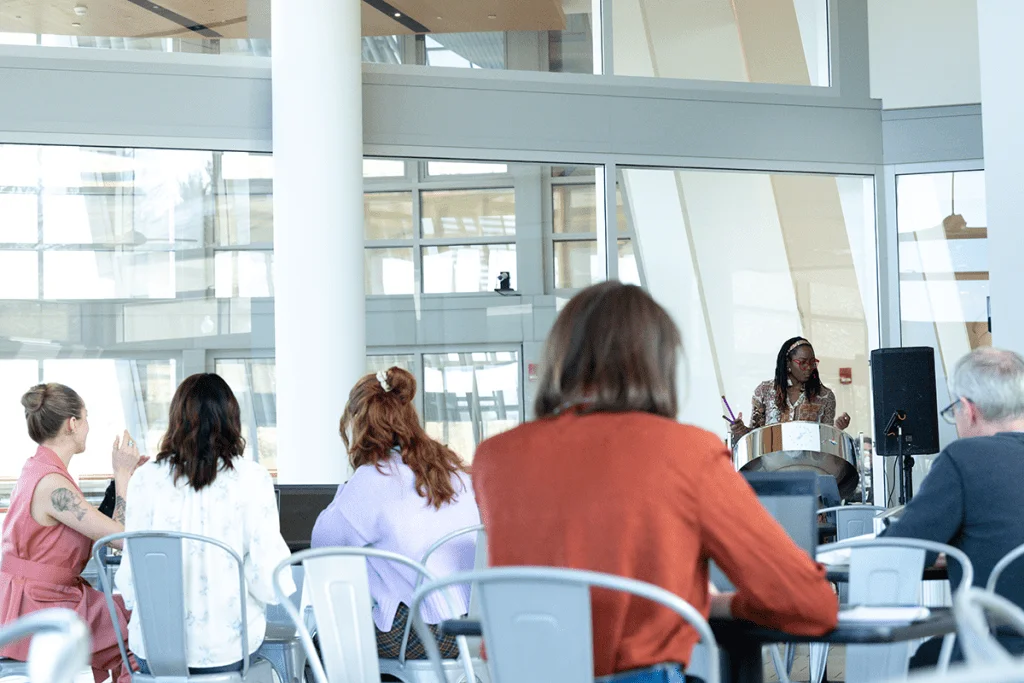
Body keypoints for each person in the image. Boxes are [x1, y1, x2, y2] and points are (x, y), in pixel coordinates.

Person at [472, 282, 838, 680]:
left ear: (560, 356)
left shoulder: (495, 459)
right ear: (657, 362)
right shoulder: (686, 452)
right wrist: (702, 602)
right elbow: (807, 602)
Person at [115, 373, 295, 673]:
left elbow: (131, 581)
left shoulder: (145, 478)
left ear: (176, 419)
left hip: (153, 651)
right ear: (231, 420)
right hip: (226, 649)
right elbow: (269, 580)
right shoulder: (251, 478)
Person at [311, 367, 480, 660]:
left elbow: (323, 543)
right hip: (474, 626)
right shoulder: (454, 471)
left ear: (358, 424)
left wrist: (346, 490)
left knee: (322, 642)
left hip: (423, 633)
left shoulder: (373, 478)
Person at [882, 347, 1024, 667]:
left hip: (995, 654)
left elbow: (901, 553)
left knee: (918, 663)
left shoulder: (963, 459)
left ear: (967, 409)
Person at [0, 383, 144, 683]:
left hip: (33, 598)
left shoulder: (37, 470)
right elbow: (119, 537)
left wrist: (123, 479)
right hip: (43, 604)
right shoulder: (53, 485)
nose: (89, 427)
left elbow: (96, 528)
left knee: (126, 617)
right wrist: (122, 475)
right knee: (141, 634)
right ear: (73, 423)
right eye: (86, 417)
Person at [730, 336, 851, 442]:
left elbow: (827, 442)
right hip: (771, 464)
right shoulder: (764, 391)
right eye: (803, 362)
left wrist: (837, 428)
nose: (809, 368)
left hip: (808, 465)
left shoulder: (825, 396)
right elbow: (754, 435)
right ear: (788, 363)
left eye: (812, 362)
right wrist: (740, 430)